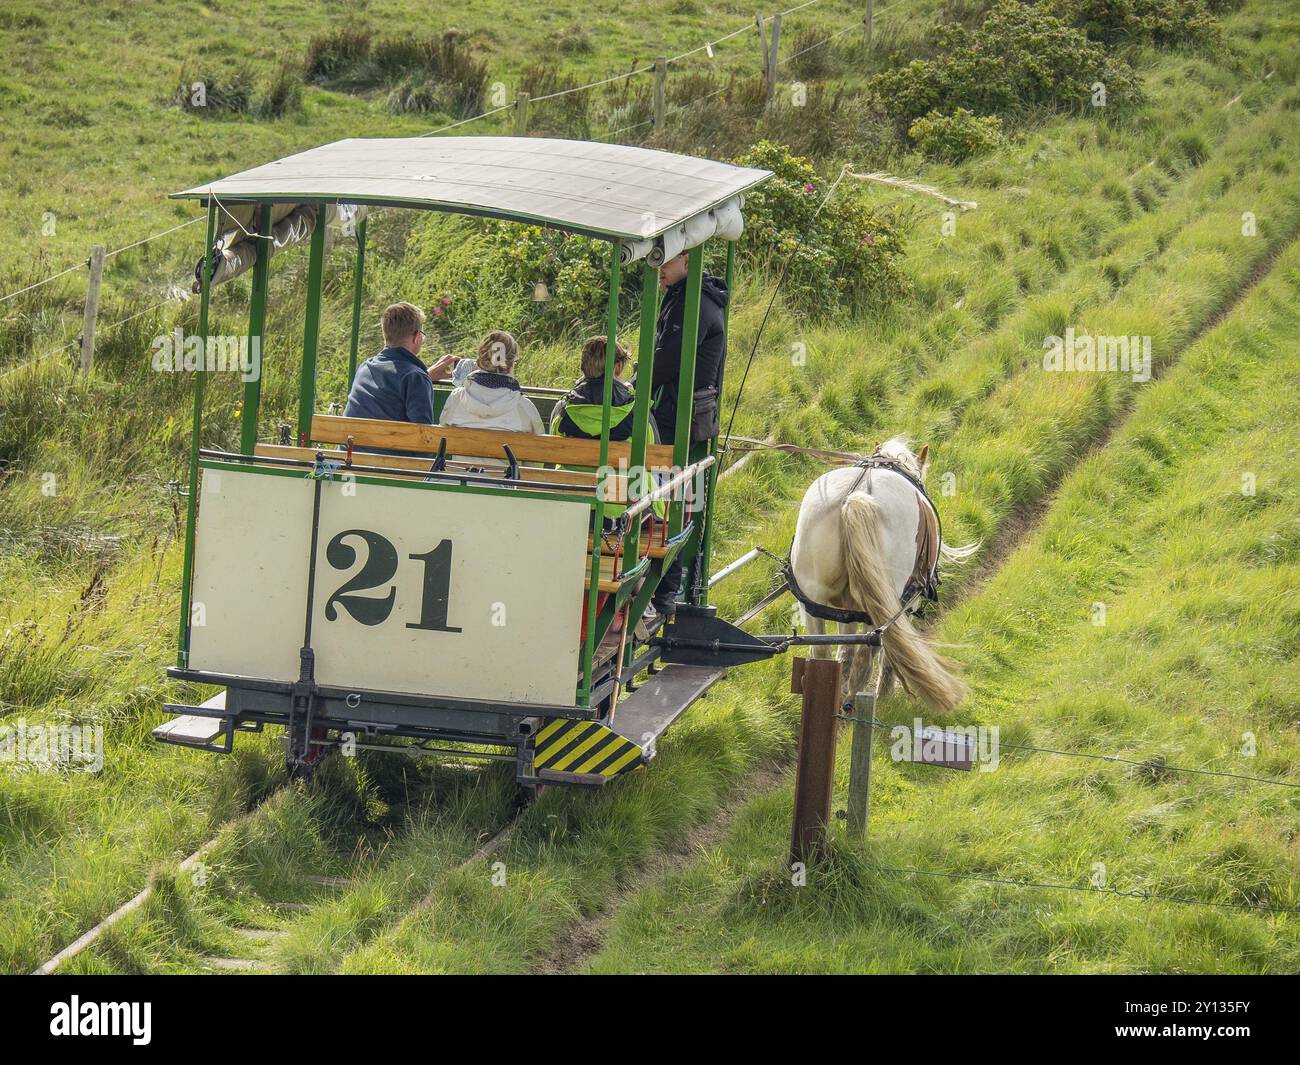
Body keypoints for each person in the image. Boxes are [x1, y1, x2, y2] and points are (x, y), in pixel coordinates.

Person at [642, 252, 729, 624]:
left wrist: (635, 383)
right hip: (686, 411)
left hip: (680, 415)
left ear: (689, 260)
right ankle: (665, 588)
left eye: (667, 258)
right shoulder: (688, 297)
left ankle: (664, 590)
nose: (658, 265)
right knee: (672, 492)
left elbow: (666, 361)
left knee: (669, 493)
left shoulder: (691, 305)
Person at [343, 302, 457, 425]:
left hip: (350, 443)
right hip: (385, 444)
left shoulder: (365, 367)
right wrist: (423, 378)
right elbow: (423, 436)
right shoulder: (415, 378)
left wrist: (425, 376)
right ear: (417, 337)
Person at [438, 330, 544, 434]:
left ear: (481, 360)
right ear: (511, 364)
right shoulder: (523, 406)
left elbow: (443, 432)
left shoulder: (457, 398)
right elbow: (540, 443)